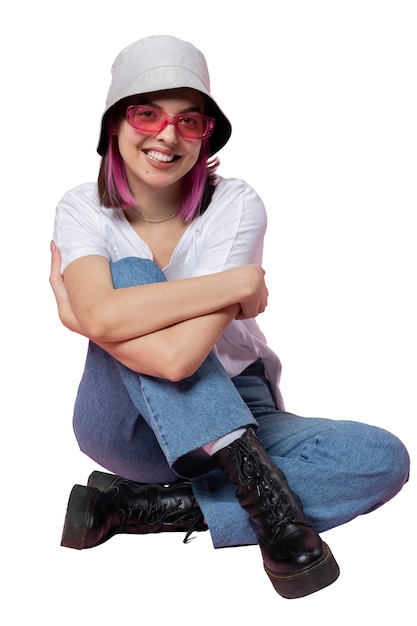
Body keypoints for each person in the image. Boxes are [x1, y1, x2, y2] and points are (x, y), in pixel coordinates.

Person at [49, 34, 409, 599]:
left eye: (189, 122)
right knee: (133, 274)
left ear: (205, 136)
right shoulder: (81, 207)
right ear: (115, 125)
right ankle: (271, 514)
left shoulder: (235, 203)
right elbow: (171, 359)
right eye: (148, 114)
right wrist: (236, 283)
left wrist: (97, 317)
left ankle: (144, 507)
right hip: (124, 422)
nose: (168, 135)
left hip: (240, 406)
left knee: (379, 457)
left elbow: (183, 356)